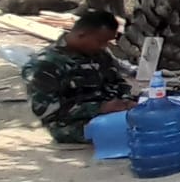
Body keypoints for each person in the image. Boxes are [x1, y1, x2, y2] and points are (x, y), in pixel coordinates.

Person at [26, 11, 138, 143]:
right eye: (100, 41)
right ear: (81, 34)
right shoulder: (45, 63)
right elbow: (45, 110)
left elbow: (117, 82)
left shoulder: (99, 54)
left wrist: (126, 101)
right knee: (138, 134)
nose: (104, 46)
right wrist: (99, 108)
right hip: (73, 124)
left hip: (113, 114)